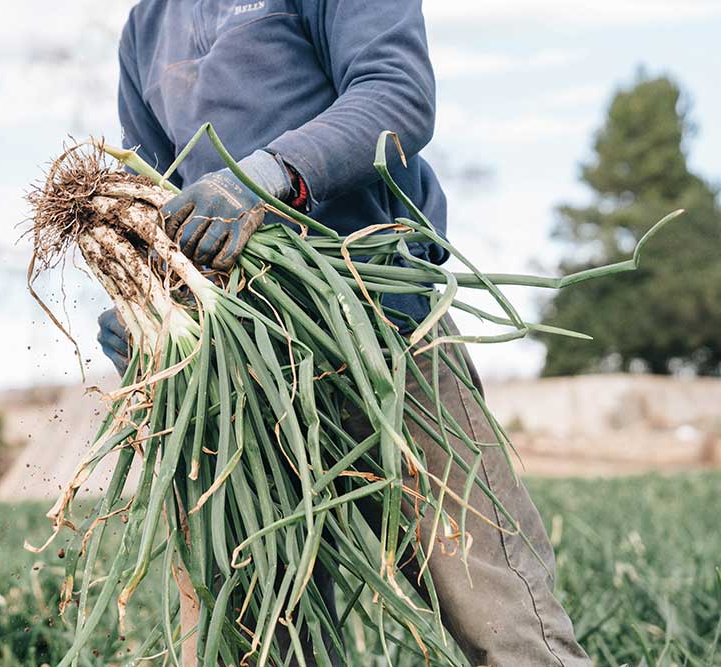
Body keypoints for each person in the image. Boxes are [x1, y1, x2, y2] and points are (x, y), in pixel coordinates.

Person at [97, 1, 591, 665]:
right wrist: (151, 299)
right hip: (238, 377)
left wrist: (266, 177)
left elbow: (397, 96)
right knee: (250, 633)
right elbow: (153, 193)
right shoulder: (147, 23)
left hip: (379, 334)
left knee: (499, 618)